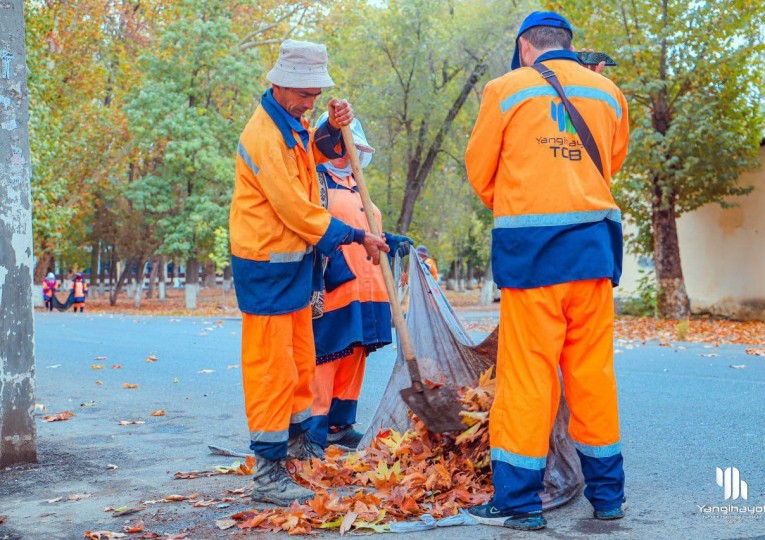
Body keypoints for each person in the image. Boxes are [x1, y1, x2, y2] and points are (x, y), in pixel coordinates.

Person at [464, 11, 630, 531]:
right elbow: (611, 163)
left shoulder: (505, 89)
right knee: (593, 376)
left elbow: (479, 169)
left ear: (524, 46)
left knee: (529, 378)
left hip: (532, 259)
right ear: (568, 44)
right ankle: (607, 496)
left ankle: (519, 503)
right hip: (594, 256)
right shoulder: (608, 94)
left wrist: (517, 199)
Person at [229, 39, 389, 507]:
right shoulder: (264, 136)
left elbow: (315, 154)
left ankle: (297, 449)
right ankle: (268, 471)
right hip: (266, 270)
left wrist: (333, 127)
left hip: (293, 266)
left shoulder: (294, 126)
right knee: (271, 371)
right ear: (278, 84)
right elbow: (296, 209)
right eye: (305, 95)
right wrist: (356, 237)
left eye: (316, 97)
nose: (310, 102)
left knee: (301, 362)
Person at [307, 114, 412, 449]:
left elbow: (369, 232)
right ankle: (313, 428)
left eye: (349, 148)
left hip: (369, 288)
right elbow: (315, 230)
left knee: (354, 353)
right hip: (336, 285)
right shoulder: (317, 182)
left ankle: (339, 424)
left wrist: (392, 241)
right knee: (328, 355)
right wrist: (337, 270)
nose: (344, 154)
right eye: (338, 147)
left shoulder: (357, 184)